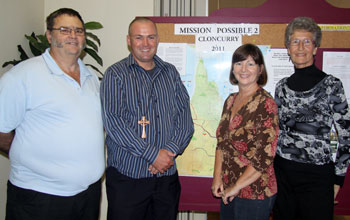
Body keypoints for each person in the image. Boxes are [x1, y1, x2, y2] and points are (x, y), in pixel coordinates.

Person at [0, 8, 105, 220]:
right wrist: (31, 158)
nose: (73, 36)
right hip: (40, 197)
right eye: (64, 30)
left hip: (88, 195)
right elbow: (1, 131)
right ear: (49, 35)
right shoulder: (23, 75)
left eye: (78, 31)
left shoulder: (91, 77)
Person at [100, 17, 194, 220]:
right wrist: (153, 155)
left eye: (150, 37)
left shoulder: (170, 73)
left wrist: (168, 153)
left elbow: (185, 118)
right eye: (139, 37)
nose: (145, 44)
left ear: (158, 39)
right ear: (128, 40)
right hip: (128, 179)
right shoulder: (115, 75)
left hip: (166, 180)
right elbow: (115, 123)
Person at [273, 16, 350, 220]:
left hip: (317, 177)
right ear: (288, 48)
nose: (300, 47)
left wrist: (338, 179)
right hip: (283, 175)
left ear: (315, 48)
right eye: (295, 42)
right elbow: (276, 131)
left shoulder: (332, 85)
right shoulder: (281, 87)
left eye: (307, 41)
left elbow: (345, 134)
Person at [212, 44, 279, 220]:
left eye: (250, 64)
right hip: (229, 187)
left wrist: (236, 186)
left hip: (255, 192)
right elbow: (221, 143)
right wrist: (217, 178)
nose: (243, 69)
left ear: (260, 69)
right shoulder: (230, 101)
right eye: (239, 63)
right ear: (232, 68)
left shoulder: (266, 103)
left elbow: (264, 157)